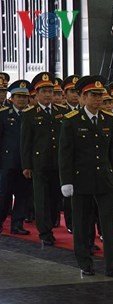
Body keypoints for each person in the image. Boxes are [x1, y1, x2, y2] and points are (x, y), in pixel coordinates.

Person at [59, 75, 113, 277]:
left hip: (104, 179)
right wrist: (67, 181)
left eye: (100, 95)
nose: (98, 99)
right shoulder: (71, 121)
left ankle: (112, 263)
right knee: (82, 223)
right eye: (93, 95)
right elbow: (65, 154)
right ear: (83, 97)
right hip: (81, 179)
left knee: (109, 222)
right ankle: (85, 262)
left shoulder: (108, 119)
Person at [20, 72, 65, 246]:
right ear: (36, 94)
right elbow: (26, 142)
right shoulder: (30, 114)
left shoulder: (61, 112)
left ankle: (52, 221)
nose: (48, 95)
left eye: (50, 91)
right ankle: (44, 231)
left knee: (55, 197)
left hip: (58, 162)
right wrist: (26, 165)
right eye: (44, 91)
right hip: (39, 163)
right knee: (41, 198)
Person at [0, 80, 32, 236]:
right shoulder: (4, 115)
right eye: (18, 96)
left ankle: (17, 224)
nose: (21, 100)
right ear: (11, 98)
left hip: (25, 163)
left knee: (22, 195)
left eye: (24, 97)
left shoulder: (31, 115)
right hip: (7, 162)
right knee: (4, 194)